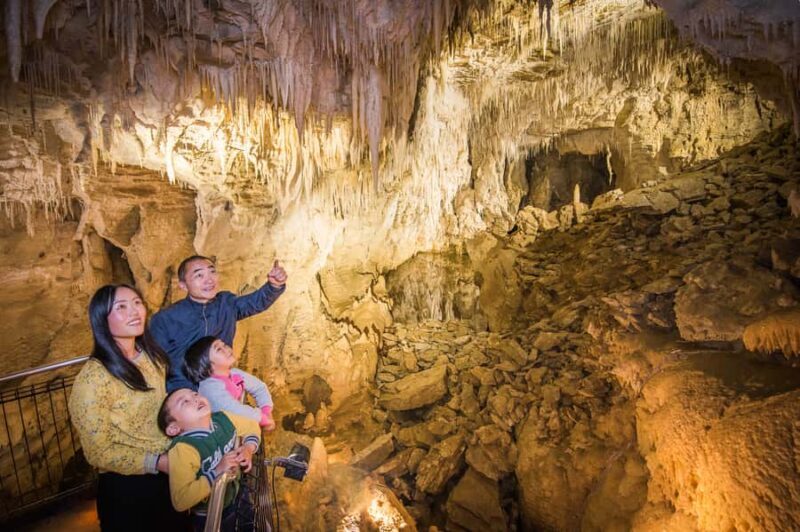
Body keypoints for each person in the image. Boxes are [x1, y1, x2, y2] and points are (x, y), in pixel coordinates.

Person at [68, 284, 189, 532]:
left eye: (137, 303)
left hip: (166, 473)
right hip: (127, 488)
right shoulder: (93, 380)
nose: (134, 311)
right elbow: (97, 452)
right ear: (102, 319)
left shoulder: (151, 356)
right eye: (121, 307)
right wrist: (156, 462)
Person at [151, 255, 287, 392]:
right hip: (185, 395)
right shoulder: (165, 319)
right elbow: (154, 364)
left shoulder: (226, 304)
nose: (209, 280)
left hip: (221, 388)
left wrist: (274, 286)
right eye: (199, 275)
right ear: (183, 285)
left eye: (212, 271)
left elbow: (254, 303)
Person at [157, 388, 261, 532]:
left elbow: (251, 426)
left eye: (195, 394)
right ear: (174, 428)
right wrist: (217, 471)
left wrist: (248, 447)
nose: (195, 399)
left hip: (237, 492)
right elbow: (180, 500)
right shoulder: (184, 450)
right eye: (185, 402)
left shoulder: (224, 419)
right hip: (211, 516)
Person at [184, 335, 276, 430]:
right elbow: (235, 410)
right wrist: (264, 419)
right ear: (206, 365)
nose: (227, 349)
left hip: (237, 424)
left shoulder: (234, 373)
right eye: (219, 349)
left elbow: (259, 387)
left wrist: (266, 411)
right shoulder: (210, 388)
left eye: (224, 345)